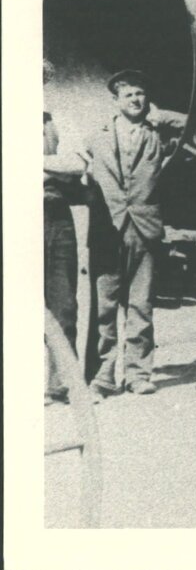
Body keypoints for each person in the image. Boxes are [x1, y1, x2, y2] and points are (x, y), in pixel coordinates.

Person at [81, 69, 185, 398]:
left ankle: (139, 375)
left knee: (141, 305)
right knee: (104, 307)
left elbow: (194, 123)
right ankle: (101, 379)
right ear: (116, 101)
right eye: (129, 95)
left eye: (141, 94)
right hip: (107, 231)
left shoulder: (159, 135)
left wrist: (162, 115)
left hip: (145, 229)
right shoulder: (95, 138)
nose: (136, 100)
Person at [44, 62, 86, 403]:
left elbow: (76, 164)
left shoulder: (58, 118)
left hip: (57, 218)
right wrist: (52, 165)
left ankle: (63, 383)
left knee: (64, 304)